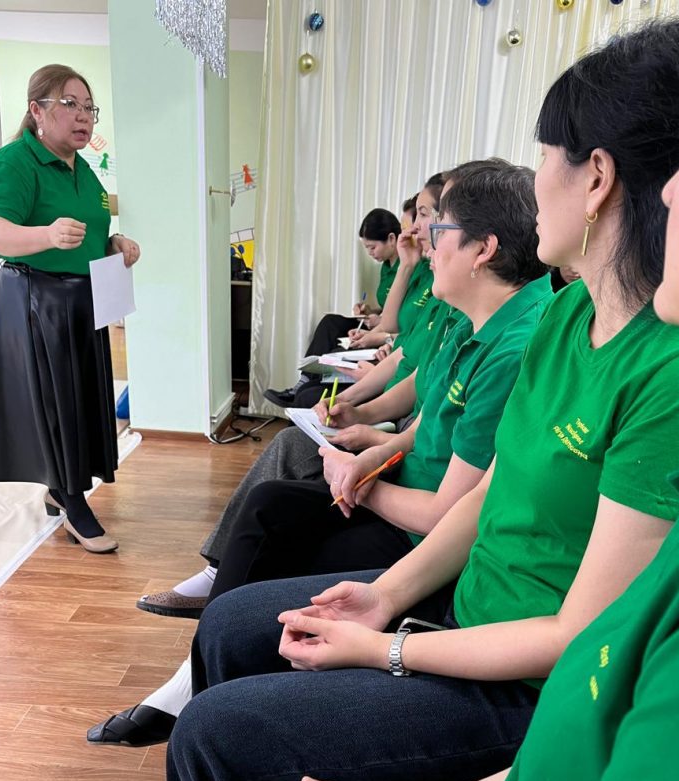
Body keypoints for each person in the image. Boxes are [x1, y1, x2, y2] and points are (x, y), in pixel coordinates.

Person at [118, 19, 679, 781]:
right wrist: (387, 601)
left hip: (512, 681)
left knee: (218, 736)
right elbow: (489, 492)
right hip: (469, 623)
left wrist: (390, 646)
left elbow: (582, 662)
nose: (673, 190)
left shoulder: (677, 383)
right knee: (238, 628)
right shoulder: (570, 316)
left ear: (595, 179)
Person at [87, 158, 553, 746]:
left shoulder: (521, 340)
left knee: (280, 531)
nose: (423, 240)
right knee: (274, 503)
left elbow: (452, 509)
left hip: (427, 540)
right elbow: (434, 416)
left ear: (483, 249)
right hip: (412, 498)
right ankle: (200, 666)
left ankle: (207, 679)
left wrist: (363, 479)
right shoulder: (478, 320)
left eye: (436, 226)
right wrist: (369, 444)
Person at [0, 64, 141, 553]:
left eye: (89, 107)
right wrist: (45, 235)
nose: (83, 116)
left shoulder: (82, 169)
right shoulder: (15, 162)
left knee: (82, 400)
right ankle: (72, 501)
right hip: (37, 299)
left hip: (83, 298)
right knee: (56, 404)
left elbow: (87, 234)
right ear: (37, 110)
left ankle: (62, 489)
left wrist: (113, 243)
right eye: (70, 104)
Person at [263, 207, 401, 409]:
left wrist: (378, 326)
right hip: (380, 325)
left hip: (388, 331)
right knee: (330, 322)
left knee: (337, 351)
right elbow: (389, 305)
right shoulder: (387, 267)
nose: (370, 253)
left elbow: (401, 315)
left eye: (372, 247)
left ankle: (306, 390)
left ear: (391, 239)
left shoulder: (408, 269)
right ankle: (303, 382)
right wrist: (371, 312)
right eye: (366, 248)